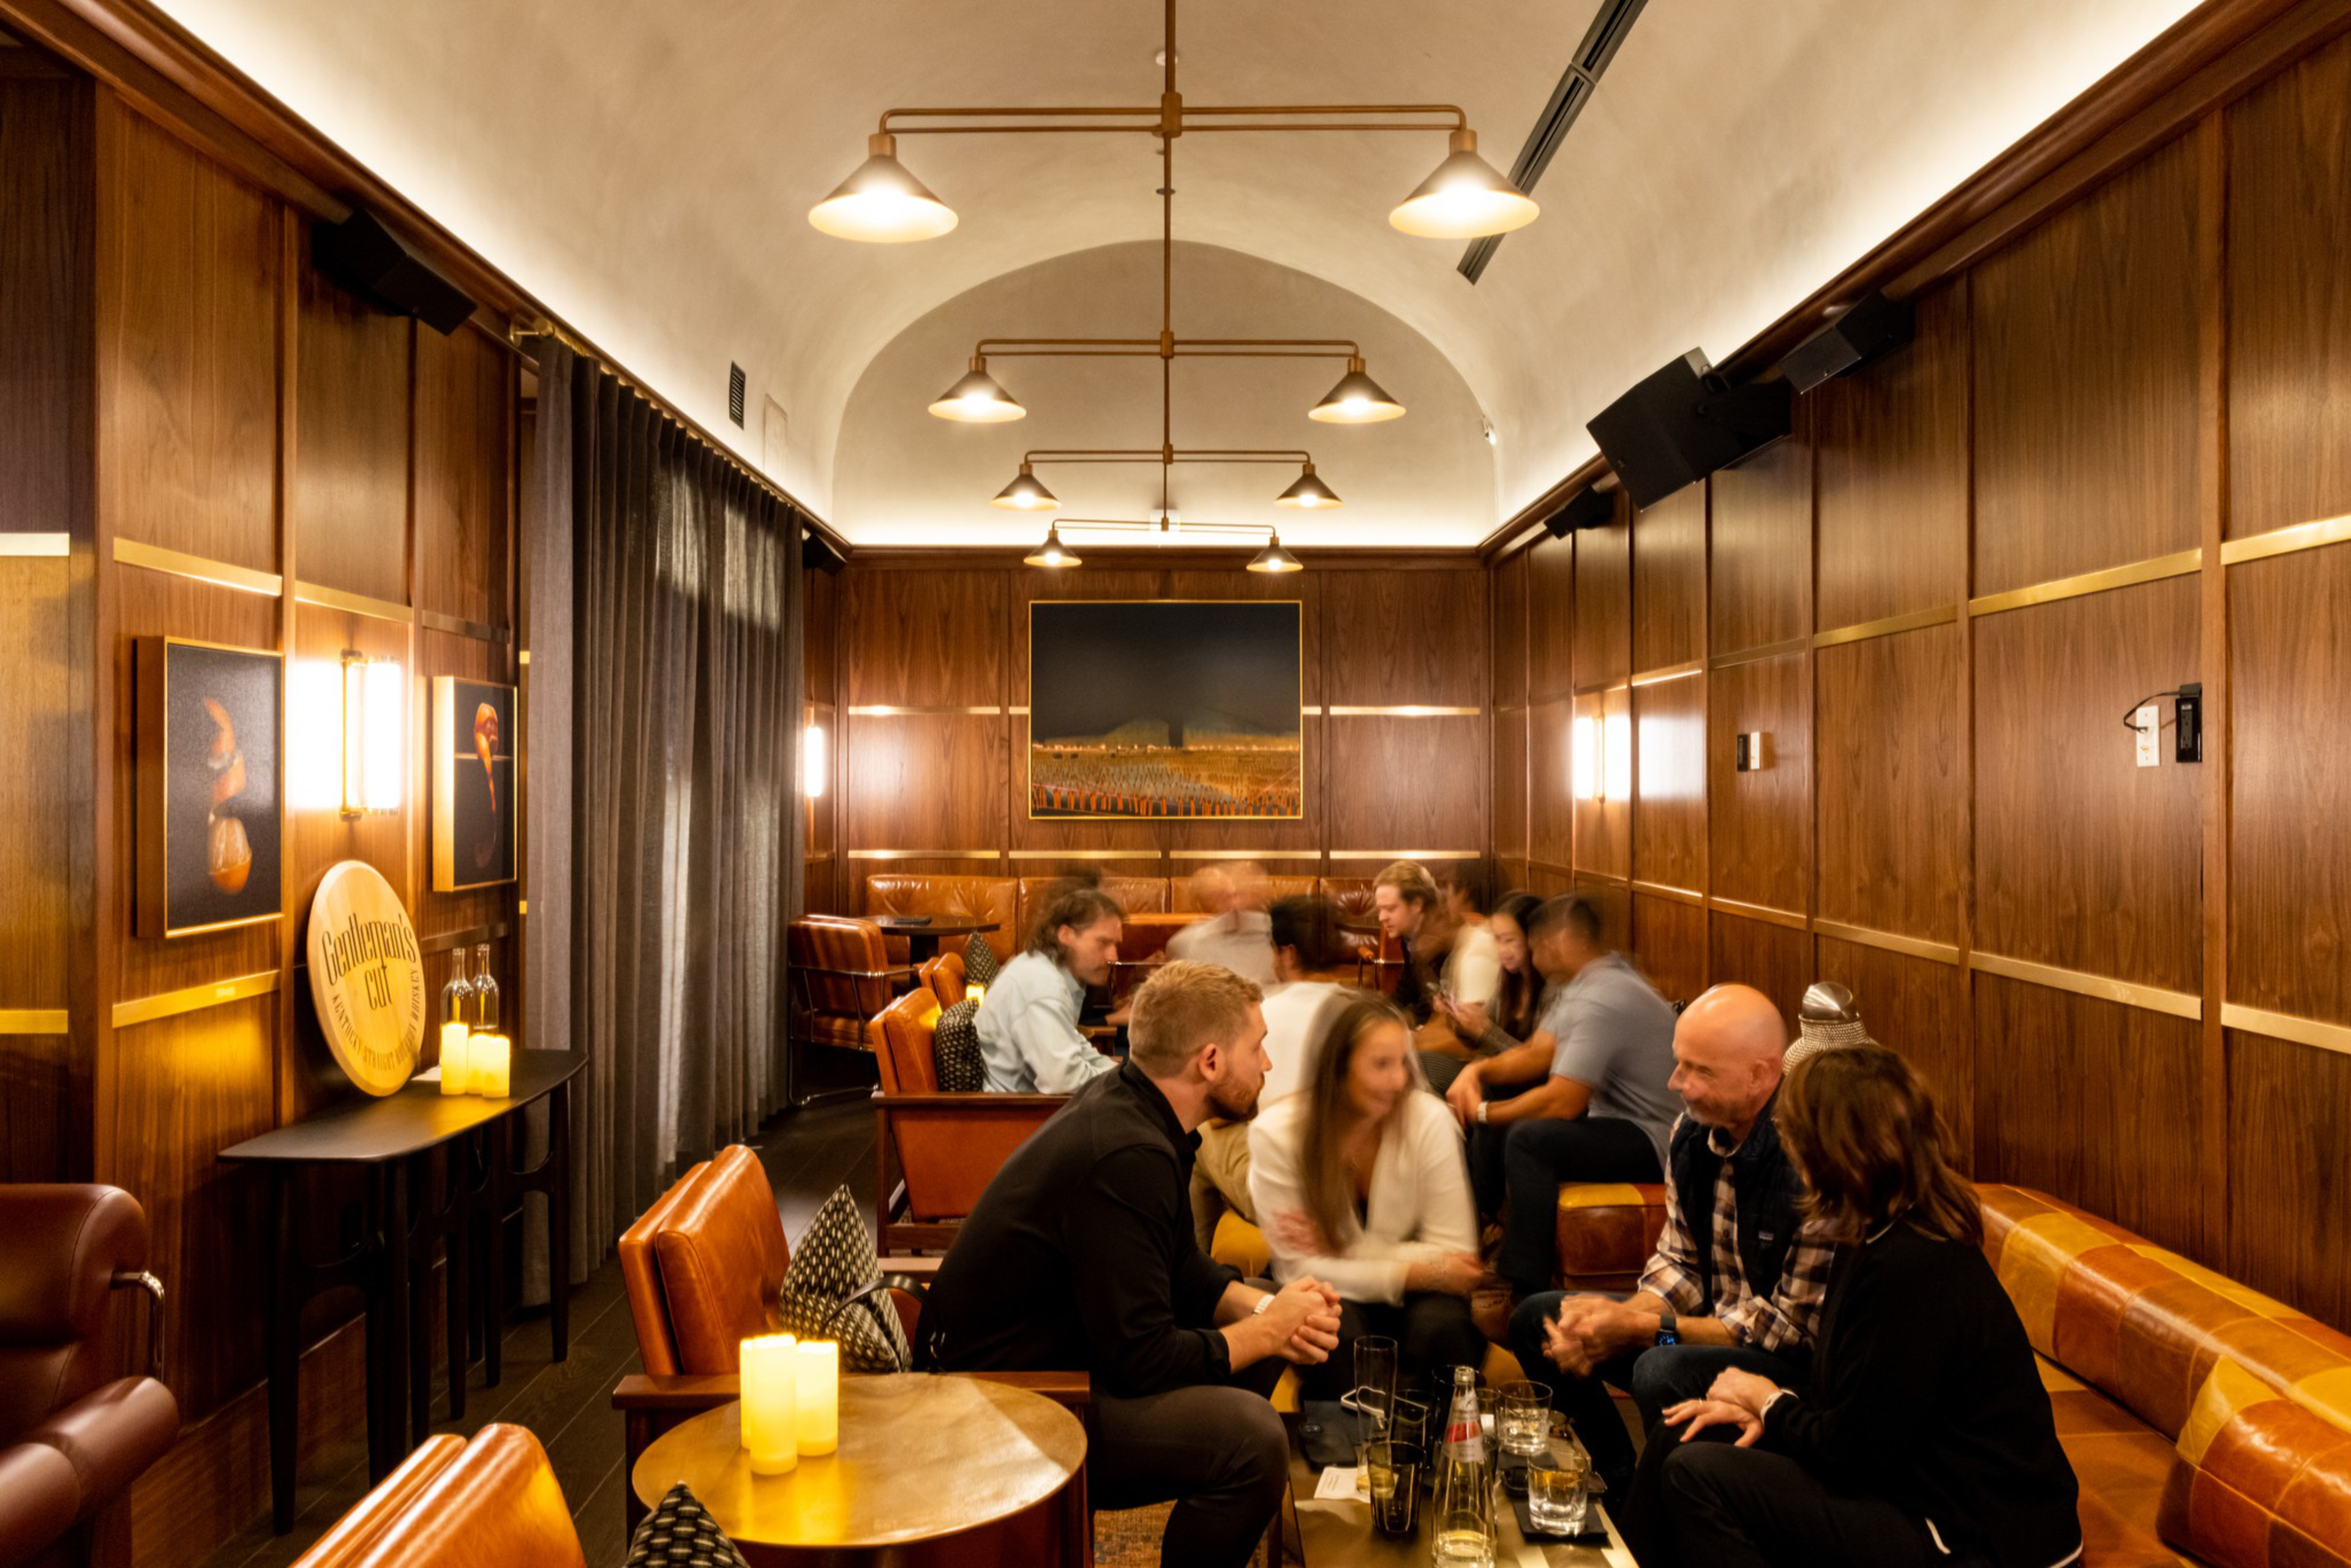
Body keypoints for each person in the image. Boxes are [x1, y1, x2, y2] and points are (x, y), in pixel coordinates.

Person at [917, 961, 1345, 1568]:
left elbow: (1181, 1267)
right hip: (1009, 1404)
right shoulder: (1129, 1152)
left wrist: (1275, 1312)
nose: (1269, 1065)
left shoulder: (1131, 1103)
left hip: (1062, 1360)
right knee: (1253, 1438)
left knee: (1266, 1315)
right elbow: (1142, 1358)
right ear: (1212, 1060)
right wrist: (1266, 1326)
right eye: (1260, 1047)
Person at [1652, 1045, 2081, 1568]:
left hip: (1976, 1531)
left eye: (1794, 1130)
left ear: (1832, 1149)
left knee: (1696, 1476)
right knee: (1684, 1429)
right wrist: (1766, 1406)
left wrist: (1769, 1402)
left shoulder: (1914, 1263)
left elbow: (1856, 1454)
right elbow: (1857, 1397)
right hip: (1910, 1481)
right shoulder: (1874, 1231)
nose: (1784, 1142)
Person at [1506, 984, 1831, 1498]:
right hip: (1697, 1334)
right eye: (1680, 1063)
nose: (1675, 1082)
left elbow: (1786, 1330)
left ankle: (1663, 1501)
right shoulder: (1691, 1131)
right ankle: (1617, 1481)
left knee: (1659, 1364)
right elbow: (1678, 1261)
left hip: (1785, 1369)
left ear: (1761, 1076)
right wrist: (1610, 1325)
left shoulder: (1809, 1163)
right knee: (1540, 1317)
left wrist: (1639, 1327)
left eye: (1700, 1070)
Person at [1250, 995, 1487, 1405]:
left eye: (1403, 1063)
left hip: (1418, 1302)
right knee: (1333, 1329)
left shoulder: (1430, 1120)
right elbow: (1301, 1267)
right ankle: (1344, 1458)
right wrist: (1420, 1271)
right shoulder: (1277, 1134)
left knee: (1443, 1328)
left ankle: (1432, 1455)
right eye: (1381, 1064)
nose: (1398, 1080)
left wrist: (1341, 1251)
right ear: (1337, 1069)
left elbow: (1458, 1256)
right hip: (1328, 1291)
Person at [1446, 896, 1681, 1297]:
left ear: (1569, 938)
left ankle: (1524, 1286)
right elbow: (1536, 1053)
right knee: (1500, 1087)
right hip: (1614, 1120)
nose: (1536, 955)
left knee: (1531, 1140)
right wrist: (1476, 1071)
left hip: (1657, 1137)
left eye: (1540, 943)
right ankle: (1476, 1230)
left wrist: (1482, 1113)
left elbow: (1563, 1102)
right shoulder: (1584, 983)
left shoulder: (1605, 994)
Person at [1190, 895, 1357, 1251]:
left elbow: (1225, 1097)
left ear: (1288, 954)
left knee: (1200, 1131)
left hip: (1286, 1191)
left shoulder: (1255, 1018)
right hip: (1363, 1183)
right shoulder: (1375, 1017)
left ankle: (1194, 1271)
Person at [975, 883, 1123, 1092]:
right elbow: (1064, 1081)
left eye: (1116, 945)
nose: (1113, 957)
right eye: (1103, 943)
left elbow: (1076, 1048)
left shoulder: (1044, 970)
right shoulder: (1041, 986)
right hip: (1018, 1116)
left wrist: (1126, 1076)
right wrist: (1125, 1085)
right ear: (1066, 935)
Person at [1430, 889, 1543, 1080]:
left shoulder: (1551, 991)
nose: (1502, 950)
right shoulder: (1508, 981)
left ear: (1532, 938)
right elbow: (1480, 1044)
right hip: (1498, 1075)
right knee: (1422, 1062)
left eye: (1510, 940)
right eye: (1497, 940)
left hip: (1525, 1086)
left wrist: (1486, 1030)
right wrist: (1457, 1021)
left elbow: (1536, 1065)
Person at [1415, 876, 1504, 1092]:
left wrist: (1406, 1048)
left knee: (1412, 1066)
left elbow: (1468, 1044)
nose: (1418, 936)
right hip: (1475, 1062)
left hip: (1488, 1070)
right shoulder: (1460, 948)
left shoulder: (1477, 955)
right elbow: (1443, 1021)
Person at [1166, 863, 1278, 986]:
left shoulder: (1283, 936)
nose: (1238, 902)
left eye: (1247, 892)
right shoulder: (1186, 943)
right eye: (1234, 894)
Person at [1371, 859, 1442, 1024]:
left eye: (1390, 908)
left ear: (1417, 904)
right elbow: (1405, 993)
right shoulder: (1411, 936)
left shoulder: (1441, 942)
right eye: (1380, 909)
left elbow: (1429, 1010)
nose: (1382, 917)